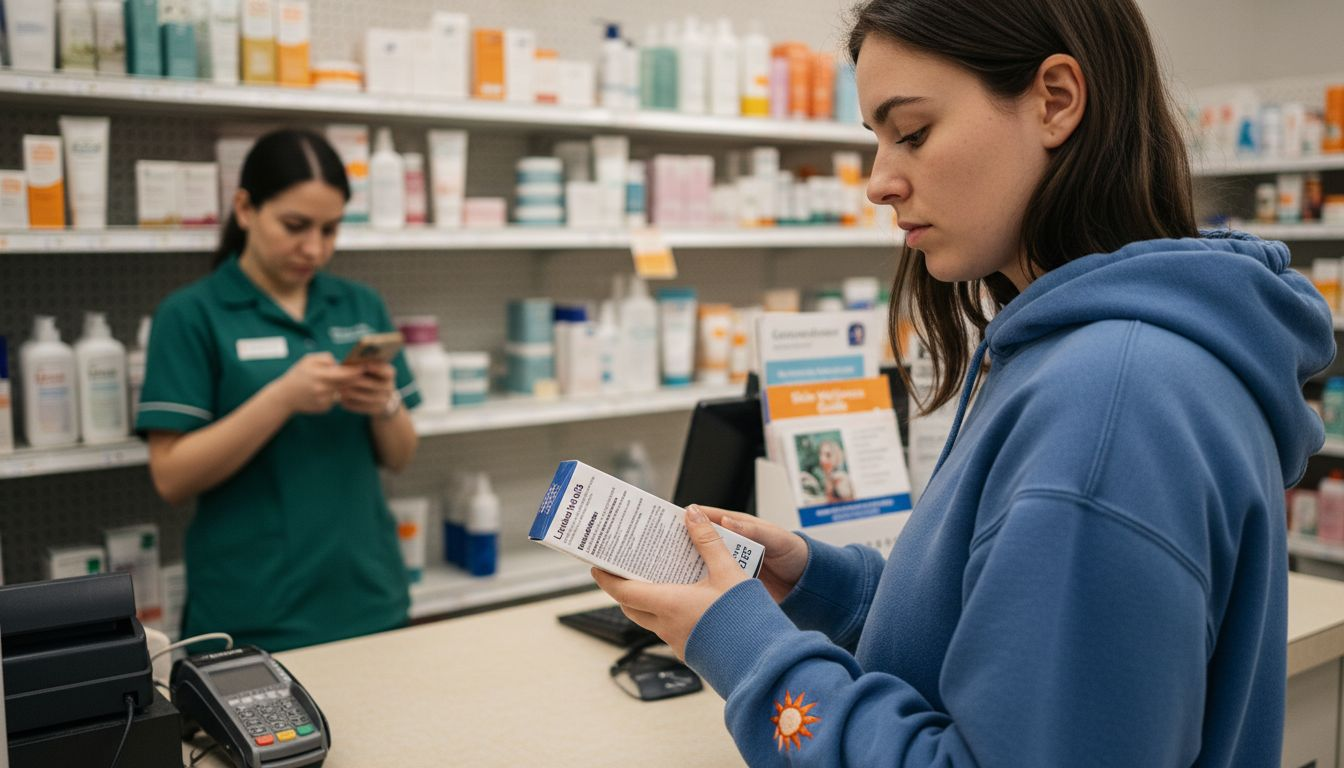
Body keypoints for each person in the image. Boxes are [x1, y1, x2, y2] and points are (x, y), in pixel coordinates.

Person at [594, 0, 1336, 764]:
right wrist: (825, 588)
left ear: (1055, 101)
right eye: (877, 141)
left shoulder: (1111, 399)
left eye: (912, 132)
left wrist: (746, 649)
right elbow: (1005, 643)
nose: (880, 182)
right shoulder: (1074, 348)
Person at [137, 129, 421, 652]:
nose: (314, 248)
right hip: (253, 616)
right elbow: (172, 477)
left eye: (330, 230)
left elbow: (401, 455)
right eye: (295, 226)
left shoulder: (359, 306)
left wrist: (384, 404)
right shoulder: (192, 315)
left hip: (371, 599)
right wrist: (281, 399)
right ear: (245, 208)